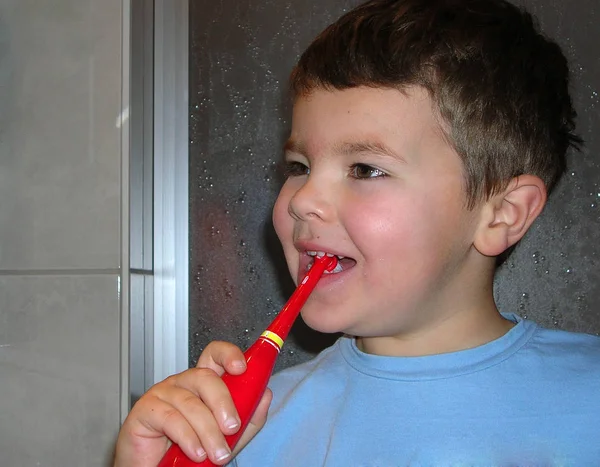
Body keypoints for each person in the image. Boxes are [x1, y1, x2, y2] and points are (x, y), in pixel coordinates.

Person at [114, 0, 600, 465]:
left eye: (365, 169)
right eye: (300, 166)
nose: (301, 200)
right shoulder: (251, 429)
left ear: (503, 214)